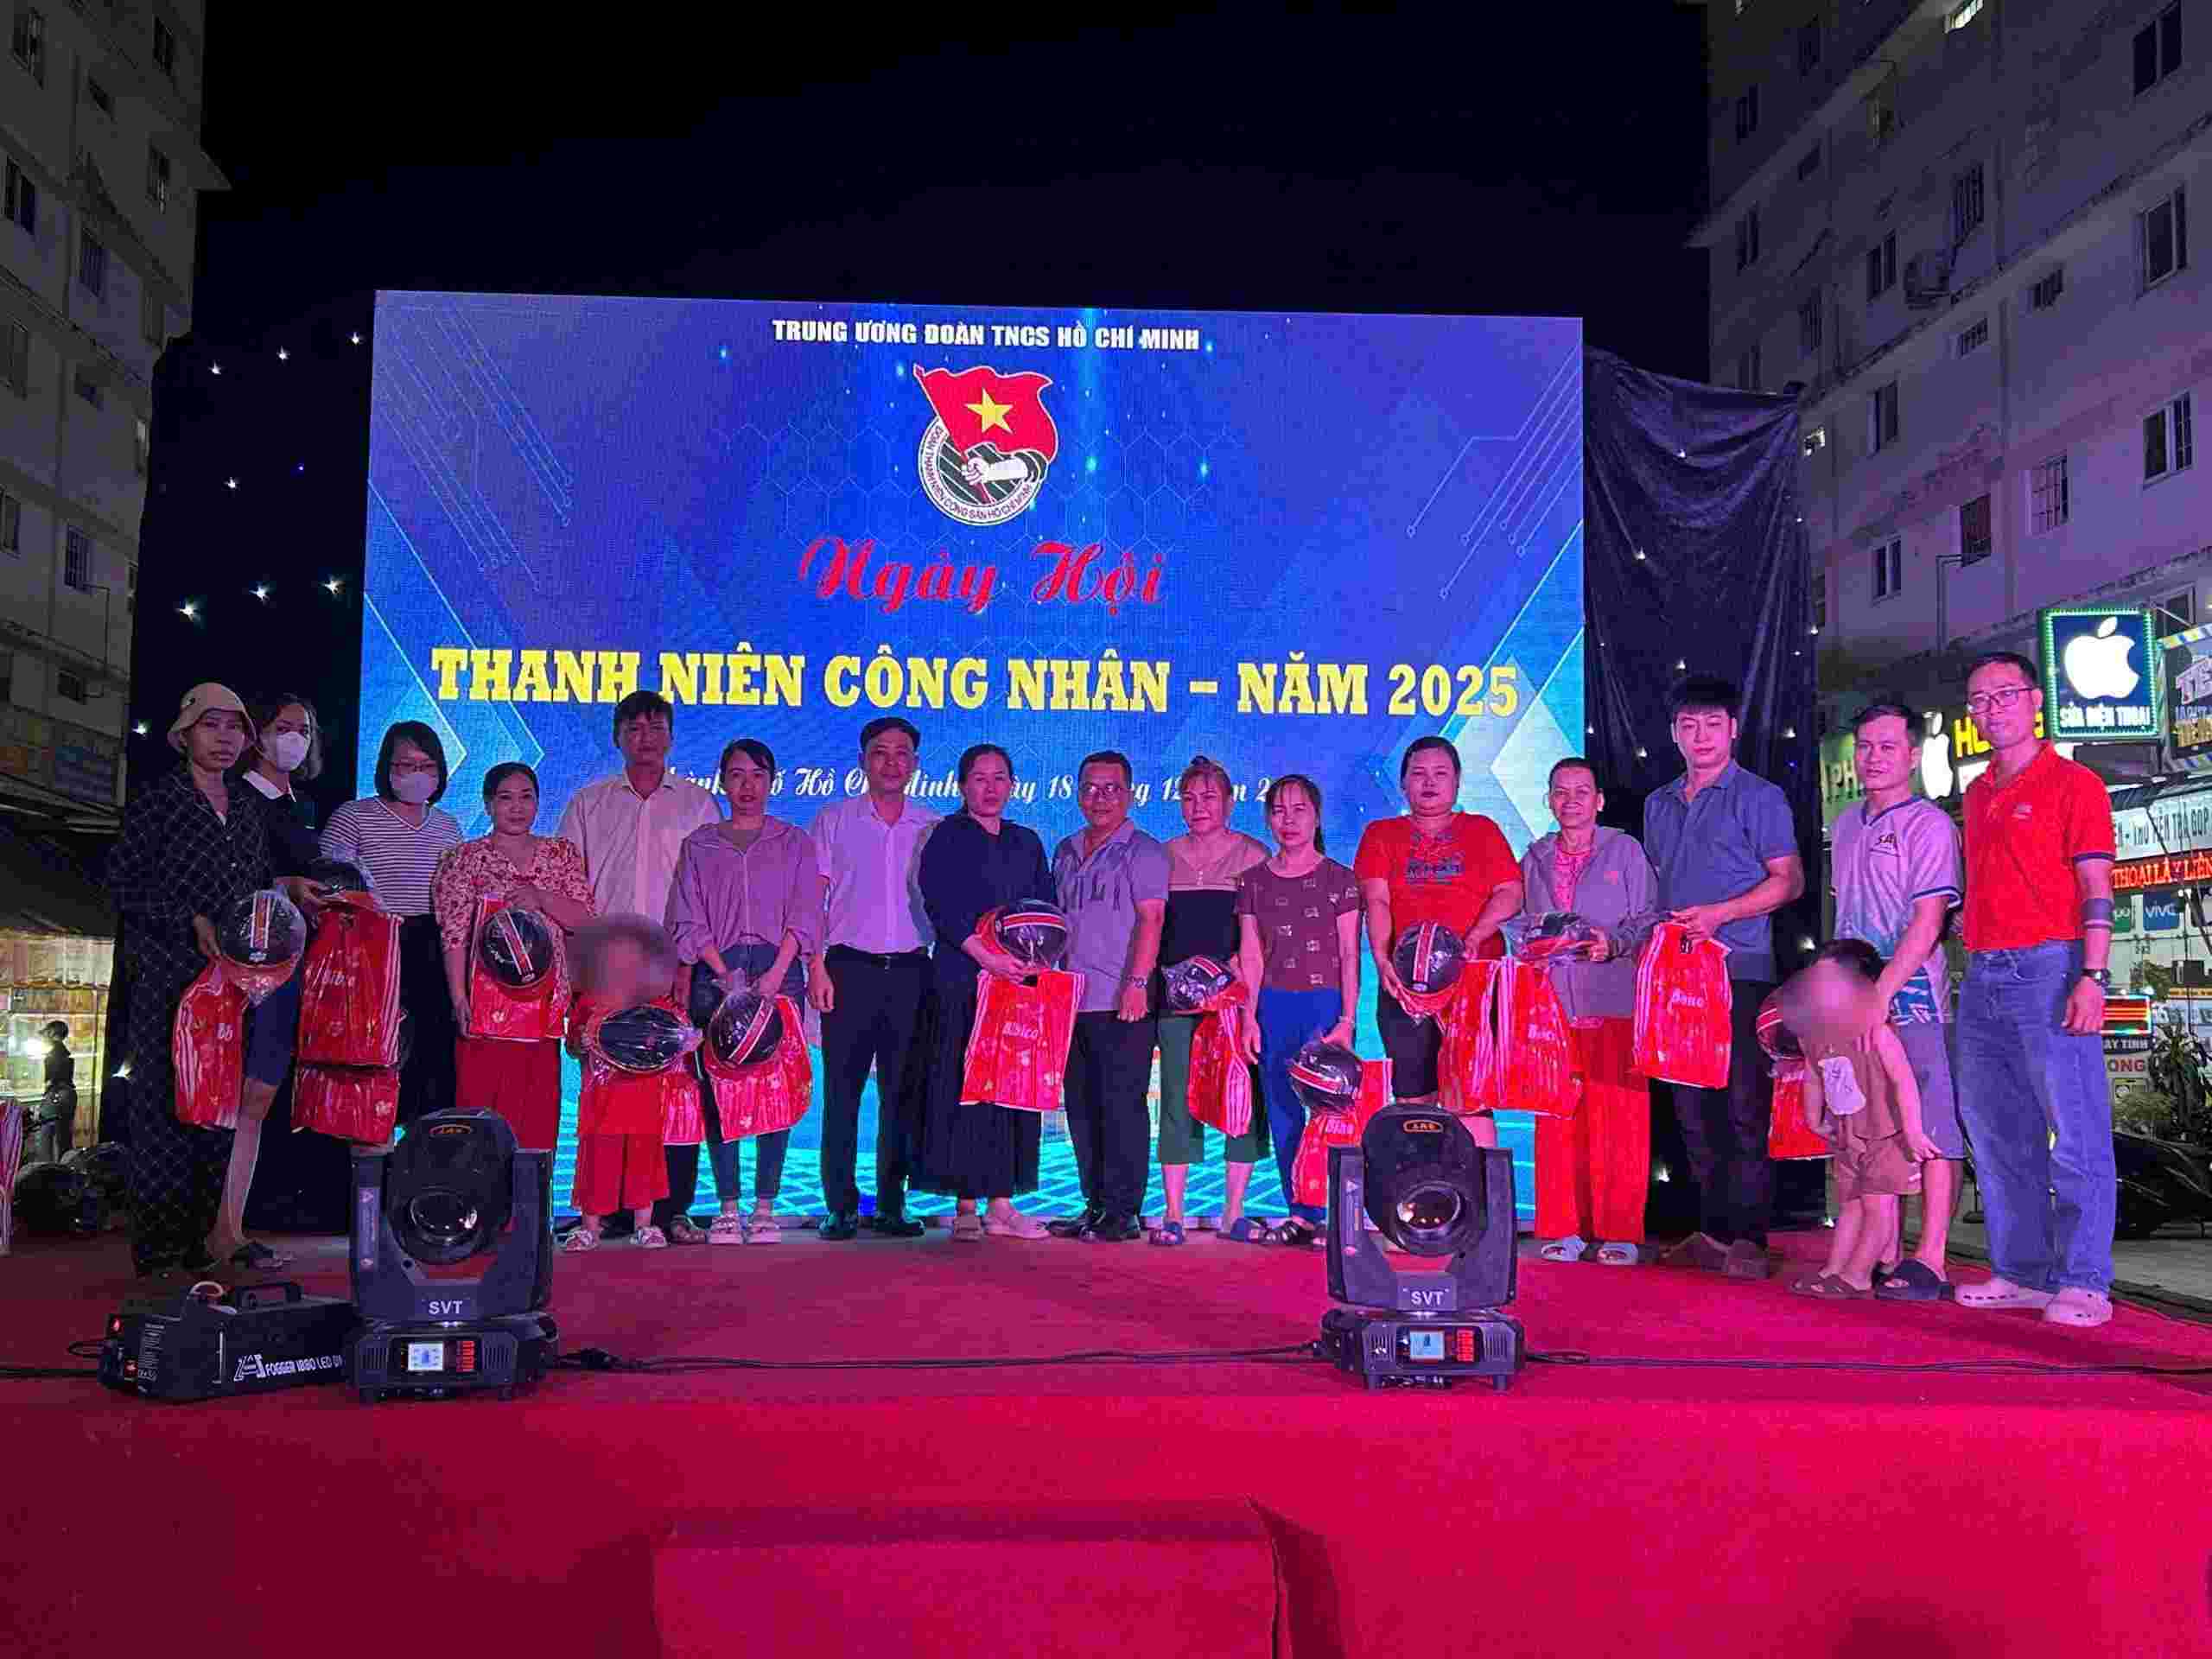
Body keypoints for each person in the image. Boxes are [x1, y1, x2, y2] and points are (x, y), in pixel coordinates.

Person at [1951, 650, 2118, 1327]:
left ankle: (2086, 1282)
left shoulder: (2075, 784)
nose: (1991, 710)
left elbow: (2096, 887)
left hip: (2052, 968)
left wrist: (2093, 976)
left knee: (2074, 1132)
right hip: (1983, 974)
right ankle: (2021, 1272)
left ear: (2035, 701)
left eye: (2004, 696)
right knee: (1997, 1134)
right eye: (1979, 701)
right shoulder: (1978, 791)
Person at [106, 685, 286, 1276]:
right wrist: (189, 919)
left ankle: (203, 1245)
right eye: (211, 726)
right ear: (185, 735)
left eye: (235, 727)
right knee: (162, 1109)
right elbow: (125, 886)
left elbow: (258, 884)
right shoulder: (157, 802)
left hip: (231, 983)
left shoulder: (250, 806)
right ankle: (159, 1253)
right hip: (167, 977)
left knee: (217, 1112)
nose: (225, 738)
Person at [1642, 677, 1804, 1281]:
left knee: (1742, 1107)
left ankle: (1751, 1238)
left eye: (1713, 724)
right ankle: (1712, 1229)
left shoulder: (1758, 797)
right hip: (1676, 978)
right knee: (1690, 1108)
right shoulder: (1659, 803)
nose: (1700, 736)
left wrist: (1720, 915)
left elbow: (1789, 881)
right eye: (1689, 725)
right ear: (1675, 733)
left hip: (1738, 972)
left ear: (1733, 729)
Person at [1830, 702, 1967, 1301]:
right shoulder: (1844, 825)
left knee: (1931, 1123)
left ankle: (1931, 1257)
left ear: (1913, 755)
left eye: (1887, 746)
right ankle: (1882, 1250)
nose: (1874, 757)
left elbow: (1929, 919)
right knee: (1870, 1124)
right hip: (1854, 1000)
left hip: (1912, 1001)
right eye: (1865, 745)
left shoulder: (1930, 825)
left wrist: (1883, 990)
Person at [663, 738, 821, 1244]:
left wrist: (776, 974)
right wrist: (720, 970)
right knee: (720, 1089)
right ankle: (728, 1206)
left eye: (757, 775)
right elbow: (686, 916)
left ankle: (766, 1206)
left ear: (772, 781)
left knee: (776, 1088)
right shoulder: (700, 844)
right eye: (736, 775)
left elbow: (806, 911)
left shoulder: (795, 842)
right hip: (720, 970)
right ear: (722, 782)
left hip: (780, 969)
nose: (747, 786)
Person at [912, 743, 1056, 1241]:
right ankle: (966, 1202)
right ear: (962, 785)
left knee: (1012, 1089)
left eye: (999, 778)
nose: (990, 788)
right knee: (965, 1086)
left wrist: (1031, 962)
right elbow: (942, 905)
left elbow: (1047, 909)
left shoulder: (1028, 842)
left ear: (1012, 785)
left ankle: (1004, 1200)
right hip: (964, 979)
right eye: (979, 778)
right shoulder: (947, 837)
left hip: (1019, 984)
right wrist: (988, 958)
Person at [1518, 758, 1657, 1266]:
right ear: (1549, 801)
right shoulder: (1532, 858)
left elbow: (1649, 918)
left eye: (1581, 791)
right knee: (1556, 1119)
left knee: (1619, 1119)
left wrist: (1614, 942)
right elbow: (1519, 923)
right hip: (1551, 1006)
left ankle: (1619, 1231)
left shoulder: (1626, 850)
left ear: (1599, 800)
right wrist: (1530, 948)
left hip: (1613, 1001)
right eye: (1561, 791)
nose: (1571, 800)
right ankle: (1561, 1227)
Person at [1353, 736, 1523, 1142]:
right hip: (1405, 985)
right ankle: (1423, 1197)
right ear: (1403, 785)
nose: (1429, 783)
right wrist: (1382, 961)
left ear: (1458, 782)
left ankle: (1479, 1201)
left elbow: (1511, 893)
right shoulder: (1382, 833)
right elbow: (1376, 899)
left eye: (1440, 774)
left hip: (1474, 984)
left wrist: (1475, 938)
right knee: (1414, 1096)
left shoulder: (1482, 830)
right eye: (1418, 774)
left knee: (1471, 1095)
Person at [809, 716, 939, 1240]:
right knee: (841, 1094)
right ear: (863, 760)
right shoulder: (834, 819)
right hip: (847, 969)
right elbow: (811, 902)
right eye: (880, 752)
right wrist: (815, 966)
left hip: (911, 970)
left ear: (915, 764)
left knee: (901, 1094)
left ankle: (891, 1203)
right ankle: (839, 1204)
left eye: (902, 753)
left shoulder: (932, 826)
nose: (891, 762)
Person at [207, 694, 323, 1270]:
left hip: (286, 968)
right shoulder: (235, 796)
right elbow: (233, 879)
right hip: (234, 969)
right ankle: (212, 1229)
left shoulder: (301, 806)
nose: (294, 738)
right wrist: (285, 886)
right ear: (259, 735)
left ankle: (232, 1227)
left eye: (303, 729)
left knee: (257, 1100)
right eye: (283, 727)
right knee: (223, 1099)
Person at [432, 763, 596, 1151]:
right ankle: (482, 1209)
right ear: (488, 804)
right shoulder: (464, 858)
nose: (517, 807)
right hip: (486, 1008)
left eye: (527, 797)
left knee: (536, 1119)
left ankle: (531, 1211)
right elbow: (453, 934)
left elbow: (585, 919)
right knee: (480, 1117)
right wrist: (459, 998)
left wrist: (541, 898)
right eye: (506, 798)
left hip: (542, 1007)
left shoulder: (560, 854)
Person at [1048, 750, 1170, 1243]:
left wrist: (1137, 985)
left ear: (1131, 794)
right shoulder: (1065, 849)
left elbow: (1152, 919)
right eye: (1091, 788)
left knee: (1122, 1106)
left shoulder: (1144, 850)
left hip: (1124, 998)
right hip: (1070, 999)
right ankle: (1094, 1204)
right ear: (1078, 793)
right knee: (1080, 1107)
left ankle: (1124, 1210)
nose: (1100, 798)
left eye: (1112, 788)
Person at [1236, 773, 1360, 1249]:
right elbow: (1251, 956)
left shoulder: (1340, 880)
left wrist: (1347, 1020)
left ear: (1317, 816)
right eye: (1279, 811)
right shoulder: (1252, 882)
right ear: (1268, 819)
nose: (1288, 820)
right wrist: (1249, 1016)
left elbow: (1350, 954)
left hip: (1324, 1005)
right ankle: (1301, 1213)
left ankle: (1340, 1211)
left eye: (1299, 809)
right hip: (1272, 1005)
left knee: (1330, 1112)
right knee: (1285, 1113)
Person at [321, 721, 465, 1126]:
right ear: (386, 767)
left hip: (433, 948)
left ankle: (429, 1153)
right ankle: (368, 1163)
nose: (416, 773)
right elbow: (329, 882)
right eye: (405, 764)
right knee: (374, 1057)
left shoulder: (448, 826)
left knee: (434, 1062)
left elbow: (458, 896)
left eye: (426, 765)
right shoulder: (354, 816)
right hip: (370, 946)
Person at [1151, 756, 1270, 1246]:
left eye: (1209, 798)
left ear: (1230, 801)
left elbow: (1259, 939)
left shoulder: (1252, 856)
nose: (1198, 807)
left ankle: (1233, 1214)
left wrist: (1247, 1003)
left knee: (1240, 1103)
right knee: (1177, 1101)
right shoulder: (1163, 856)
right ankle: (1174, 1215)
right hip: (1177, 1003)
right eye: (1189, 798)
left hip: (1234, 1001)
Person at [1782, 941, 1941, 1299]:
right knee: (1851, 1204)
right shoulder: (1815, 1036)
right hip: (1848, 1136)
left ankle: (1859, 1274)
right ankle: (1835, 1268)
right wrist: (1813, 1118)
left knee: (1877, 1204)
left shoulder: (1878, 1033)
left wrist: (1913, 1131)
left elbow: (1903, 1082)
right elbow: (1812, 1076)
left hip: (1885, 1135)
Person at [562, 916, 680, 1251]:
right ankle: (590, 1228)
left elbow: (674, 1036)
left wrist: (685, 1040)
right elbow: (572, 1046)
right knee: (598, 1159)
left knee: (644, 1161)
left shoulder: (656, 1000)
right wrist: (581, 1042)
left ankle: (644, 1226)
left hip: (643, 1097)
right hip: (601, 1099)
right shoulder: (587, 1001)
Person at [38, 1022, 76, 1166]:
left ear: (53, 1034)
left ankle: (50, 1173)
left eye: (47, 1033)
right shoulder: (62, 1053)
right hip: (64, 1094)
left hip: (57, 1094)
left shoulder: (56, 1053)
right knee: (63, 1138)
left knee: (47, 1138)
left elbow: (52, 1080)